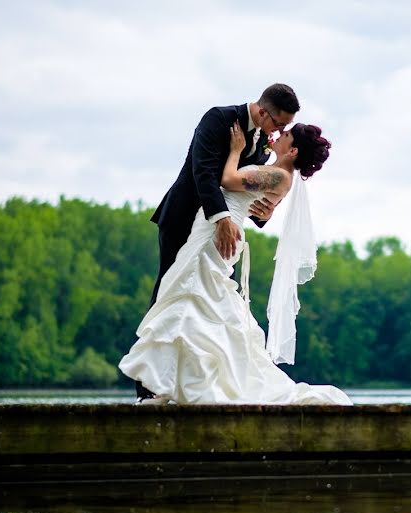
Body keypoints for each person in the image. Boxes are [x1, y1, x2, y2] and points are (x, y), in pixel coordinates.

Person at [119, 121, 351, 406]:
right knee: (202, 300)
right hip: (214, 231)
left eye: (285, 135)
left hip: (218, 236)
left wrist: (236, 150)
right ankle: (181, 379)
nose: (278, 136)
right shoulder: (277, 173)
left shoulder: (279, 175)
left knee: (194, 295)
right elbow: (259, 209)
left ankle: (184, 380)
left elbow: (228, 181)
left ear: (292, 150)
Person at [135, 83, 298, 400]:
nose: (278, 132)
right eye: (278, 123)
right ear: (263, 112)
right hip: (185, 220)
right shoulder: (218, 119)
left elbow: (251, 200)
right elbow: (204, 173)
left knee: (216, 304)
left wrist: (266, 209)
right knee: (169, 294)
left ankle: (207, 384)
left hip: (225, 235)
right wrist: (221, 219)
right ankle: (149, 388)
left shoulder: (264, 144)